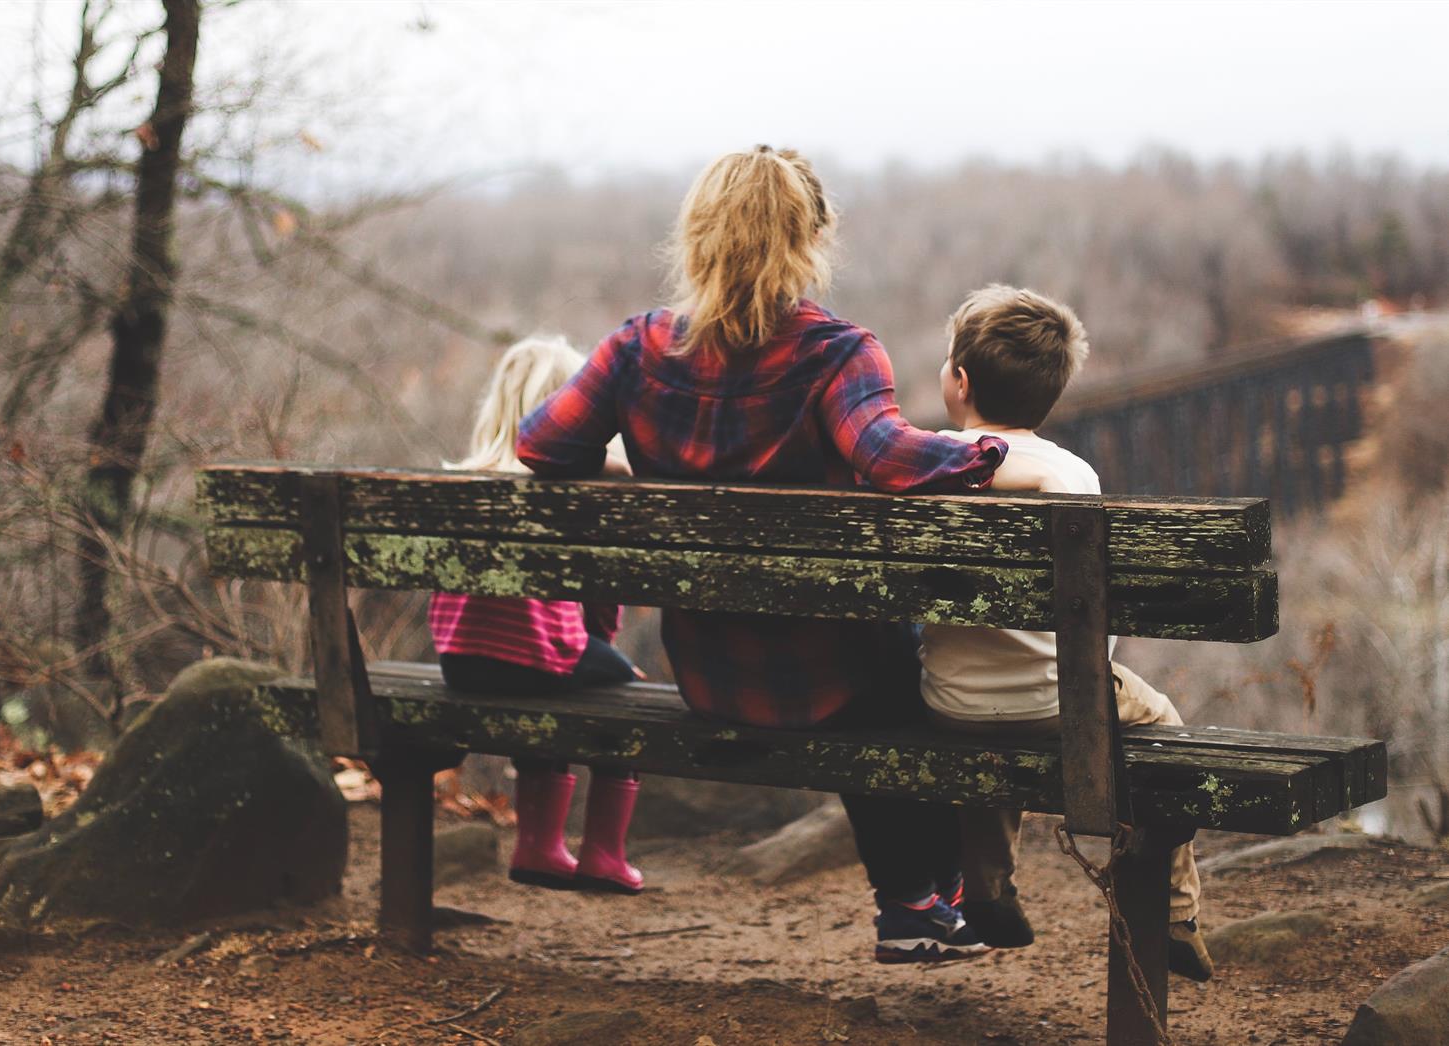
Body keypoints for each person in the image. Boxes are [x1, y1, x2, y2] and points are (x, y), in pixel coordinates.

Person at [517, 146, 1011, 963]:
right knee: (906, 666)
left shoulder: (635, 349)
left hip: (710, 674)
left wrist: (620, 464)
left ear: (697, 237)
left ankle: (924, 902)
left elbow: (540, 445)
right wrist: (990, 452)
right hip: (832, 680)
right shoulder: (837, 353)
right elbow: (889, 457)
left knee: (879, 659)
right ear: (811, 238)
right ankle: (921, 899)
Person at [918, 284, 1214, 981]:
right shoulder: (1072, 474)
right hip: (1062, 703)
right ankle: (1176, 911)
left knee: (989, 717)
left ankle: (987, 889)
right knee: (1162, 723)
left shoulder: (923, 463)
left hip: (950, 703)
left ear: (959, 381)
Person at [429, 335, 647, 894]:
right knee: (625, 690)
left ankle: (539, 846)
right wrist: (606, 649)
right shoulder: (568, 487)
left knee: (550, 675)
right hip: (536, 658)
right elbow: (599, 597)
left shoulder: (463, 481)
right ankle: (602, 854)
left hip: (460, 662)